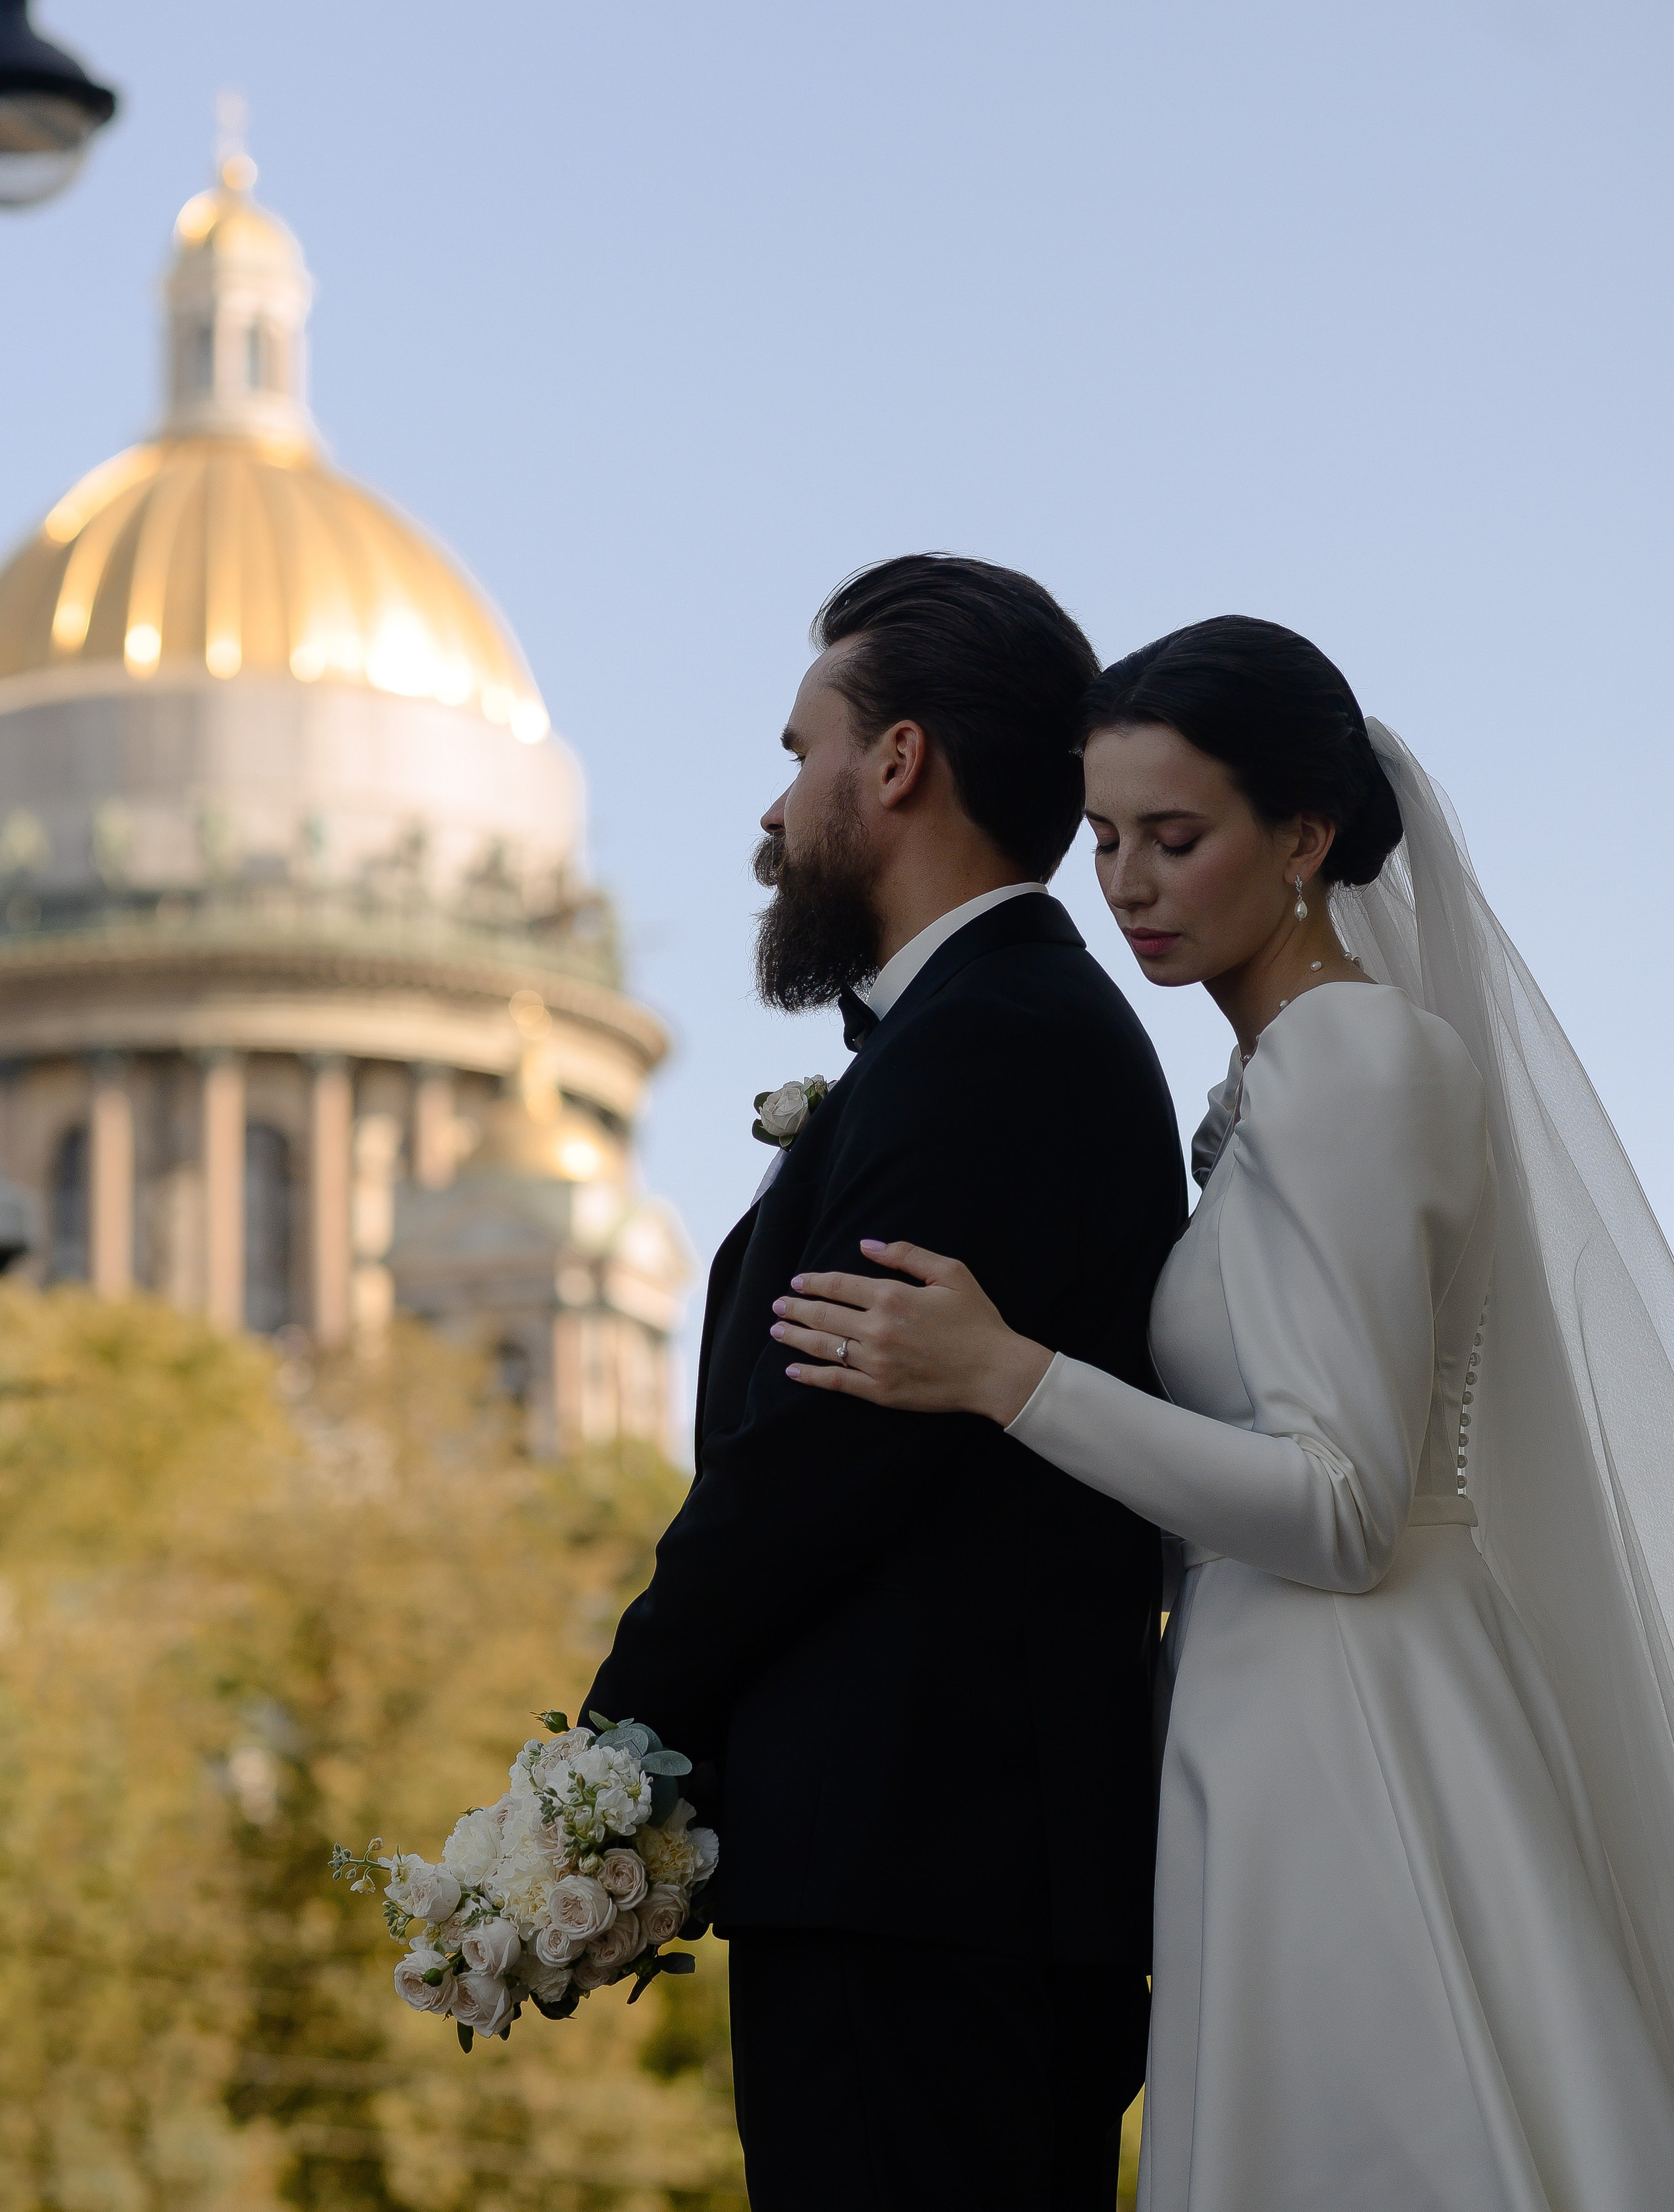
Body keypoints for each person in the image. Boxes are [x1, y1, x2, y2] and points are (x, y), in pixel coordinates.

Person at [774, 615, 1674, 2212]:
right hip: (1259, 1711)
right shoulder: (1274, 1074)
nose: (1126, 884)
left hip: (1352, 1720)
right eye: (1105, 837)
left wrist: (1004, 1373)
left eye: (1174, 838)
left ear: (1303, 836)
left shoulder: (1350, 1062)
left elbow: (1340, 1507)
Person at [584, 556, 1187, 2212]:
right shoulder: (978, 1029)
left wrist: (609, 1754)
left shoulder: (996, 1040)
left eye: (801, 753)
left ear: (899, 761)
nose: (774, 810)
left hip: (927, 1880)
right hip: (917, 1876)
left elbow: (811, 1465)